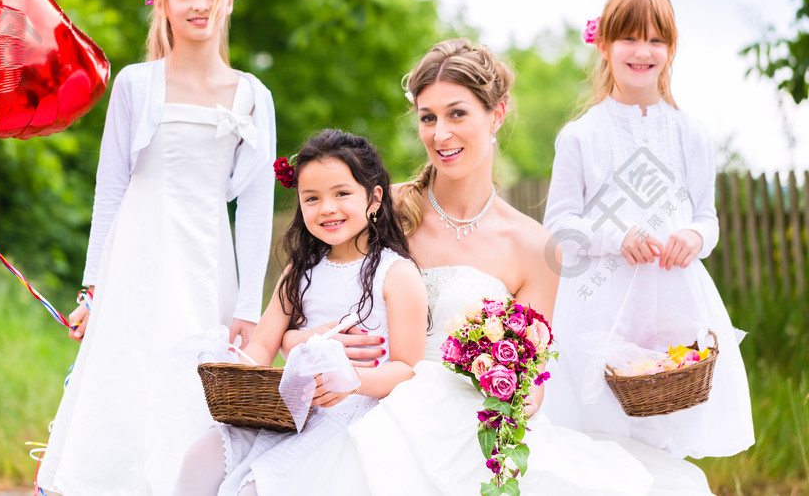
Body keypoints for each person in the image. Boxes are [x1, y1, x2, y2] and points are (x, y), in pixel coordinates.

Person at [274, 38, 713, 495]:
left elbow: (534, 373)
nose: (440, 134)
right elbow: (307, 295)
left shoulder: (534, 246)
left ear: (496, 114)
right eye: (428, 117)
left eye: (457, 113)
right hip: (370, 407)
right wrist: (301, 340)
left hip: (473, 422)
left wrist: (515, 399)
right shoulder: (381, 209)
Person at [36, 0, 277, 496]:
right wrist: (92, 288)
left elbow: (256, 206)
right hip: (136, 263)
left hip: (205, 264)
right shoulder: (136, 85)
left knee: (191, 392)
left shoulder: (252, 96)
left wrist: (246, 307)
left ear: (229, 1)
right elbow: (111, 188)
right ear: (162, 4)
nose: (198, 4)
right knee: (124, 384)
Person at [542, 0, 754, 458]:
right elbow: (559, 225)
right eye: (629, 39)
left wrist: (695, 237)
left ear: (671, 49)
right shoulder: (581, 136)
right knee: (604, 433)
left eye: (656, 40)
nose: (643, 51)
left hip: (674, 299)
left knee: (669, 426)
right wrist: (614, 237)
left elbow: (708, 217)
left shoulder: (692, 135)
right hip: (601, 304)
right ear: (604, 45)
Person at [173, 129, 428, 496]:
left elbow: (408, 369)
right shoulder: (301, 270)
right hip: (282, 408)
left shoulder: (396, 274)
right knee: (200, 457)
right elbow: (263, 345)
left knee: (257, 487)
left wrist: (350, 378)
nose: (327, 208)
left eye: (342, 193)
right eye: (312, 198)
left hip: (349, 411)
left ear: (373, 198)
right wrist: (235, 366)